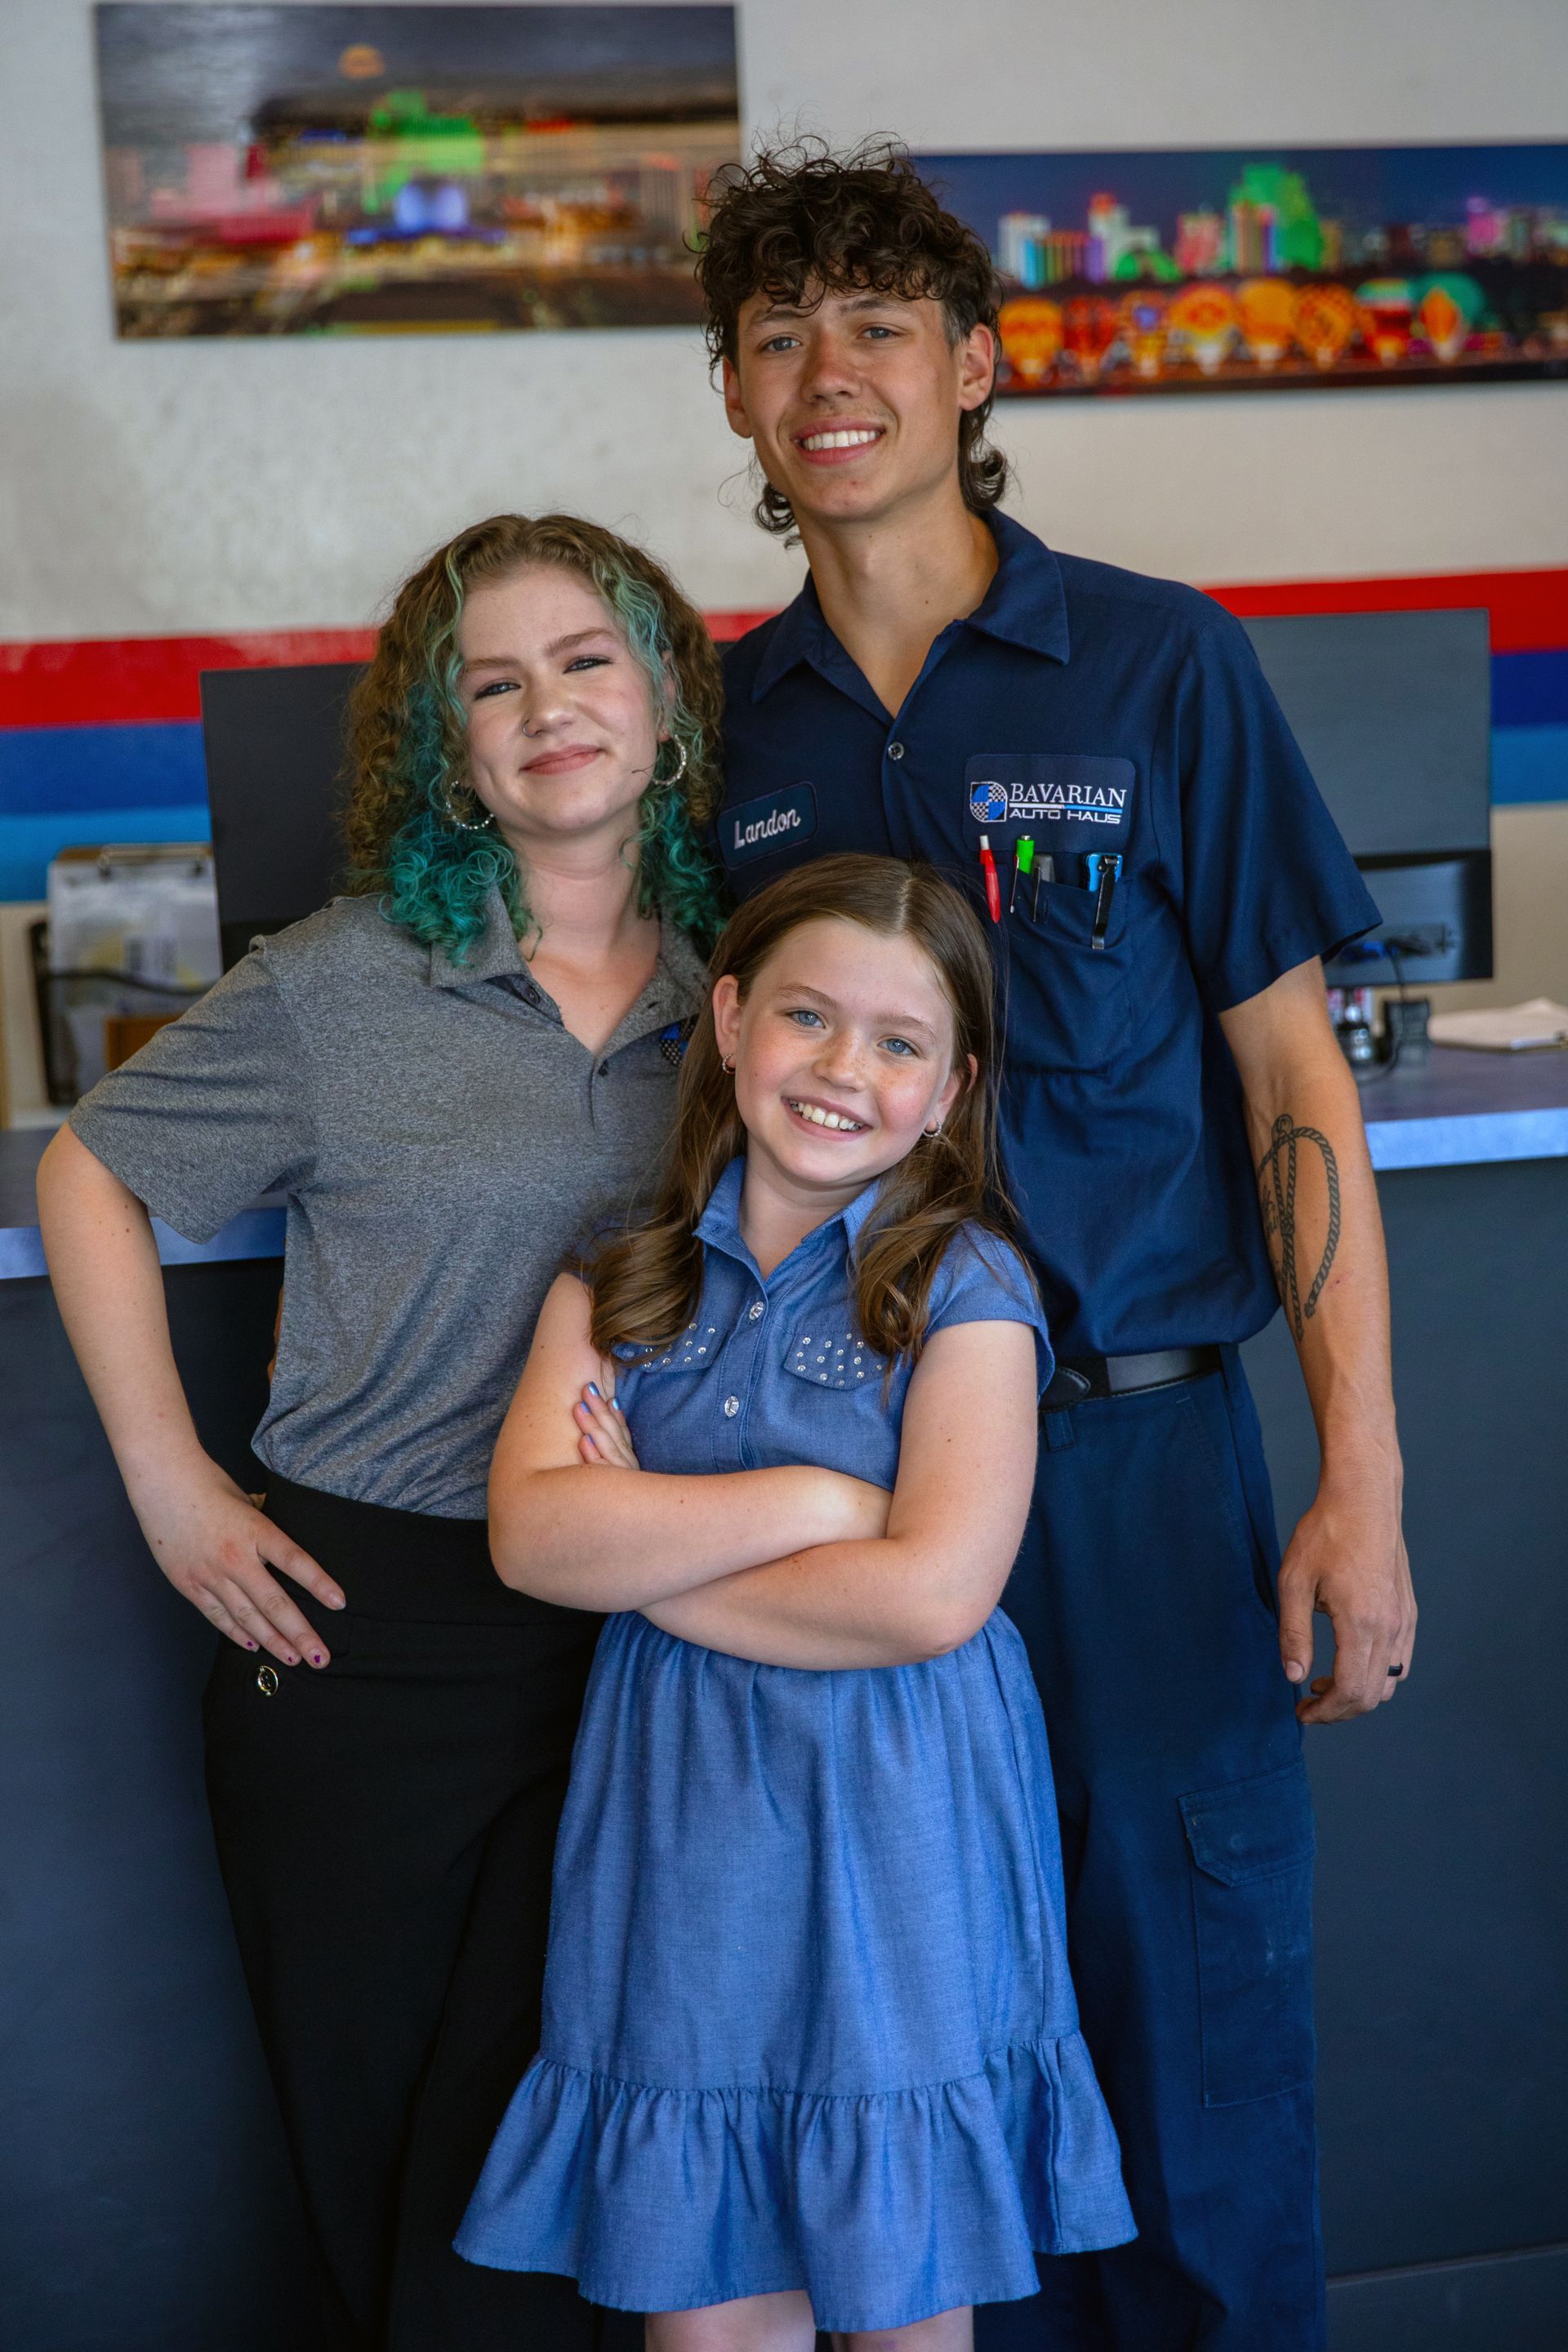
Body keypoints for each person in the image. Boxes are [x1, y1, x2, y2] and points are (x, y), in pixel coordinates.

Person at [690, 144, 1418, 2351]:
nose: (832, 373)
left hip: (1131, 1484)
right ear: (730, 394)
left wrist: (1360, 1480)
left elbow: (1297, 1091)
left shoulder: (1158, 669)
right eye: (780, 334)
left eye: (878, 324)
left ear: (975, 364)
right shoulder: (725, 731)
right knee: (901, 2077)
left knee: (1191, 2061)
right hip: (832, 1497)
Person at [36, 513, 727, 2352]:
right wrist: (175, 1483)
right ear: (445, 751)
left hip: (640, 1633)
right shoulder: (341, 982)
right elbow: (88, 1166)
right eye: (490, 684)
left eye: (587, 660)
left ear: (663, 699)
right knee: (389, 2163)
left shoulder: (745, 998)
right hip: (367, 1640)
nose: (548, 707)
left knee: (594, 2161)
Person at [455, 854, 1134, 2346]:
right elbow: (534, 1541)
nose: (844, 1070)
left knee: (899, 2288)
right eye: (809, 1019)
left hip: (901, 1814)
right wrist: (821, 1510)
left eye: (900, 1044)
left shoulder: (969, 1287)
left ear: (951, 1090)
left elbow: (931, 1600)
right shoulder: (618, 1283)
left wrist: (652, 1559)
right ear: (729, 1016)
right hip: (684, 1822)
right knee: (708, 2305)